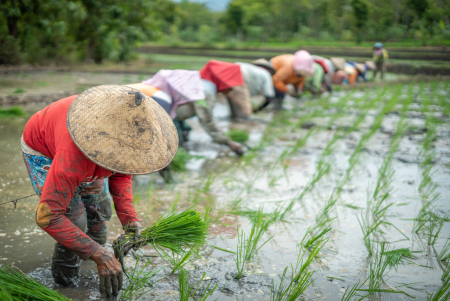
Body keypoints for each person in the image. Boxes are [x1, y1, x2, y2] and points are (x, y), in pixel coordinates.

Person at [22, 85, 178, 297]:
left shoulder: (127, 139)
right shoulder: (73, 156)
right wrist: (99, 254)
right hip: (44, 149)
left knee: (99, 214)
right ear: (113, 143)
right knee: (74, 219)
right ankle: (64, 284)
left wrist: (130, 219)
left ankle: (93, 264)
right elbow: (48, 217)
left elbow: (121, 174)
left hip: (83, 148)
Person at [128, 69, 244, 156]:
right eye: (230, 88)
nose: (230, 92)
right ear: (223, 84)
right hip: (162, 111)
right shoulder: (206, 91)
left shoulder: (202, 83)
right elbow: (206, 120)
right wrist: (228, 142)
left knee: (182, 134)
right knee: (170, 148)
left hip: (166, 109)